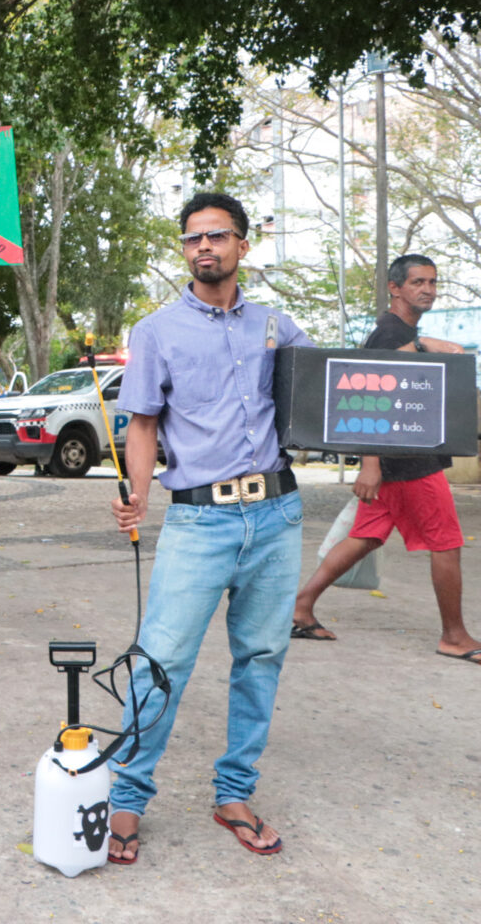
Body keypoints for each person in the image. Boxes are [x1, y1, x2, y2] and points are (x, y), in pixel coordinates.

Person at [106, 192, 311, 864]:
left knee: (261, 658)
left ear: (243, 245)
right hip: (199, 518)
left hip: (277, 514)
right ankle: (127, 800)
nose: (204, 248)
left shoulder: (278, 326)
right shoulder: (157, 331)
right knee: (160, 662)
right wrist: (136, 494)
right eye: (193, 238)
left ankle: (234, 793)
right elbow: (141, 423)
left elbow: (326, 389)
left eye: (218, 236)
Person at [292, 255, 481, 663]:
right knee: (446, 544)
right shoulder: (388, 334)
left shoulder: (403, 332)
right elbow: (368, 405)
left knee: (366, 537)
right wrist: (370, 464)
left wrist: (424, 344)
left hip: (405, 458)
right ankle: (454, 636)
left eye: (432, 282)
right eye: (417, 282)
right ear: (395, 288)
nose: (427, 289)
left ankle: (300, 606)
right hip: (407, 463)